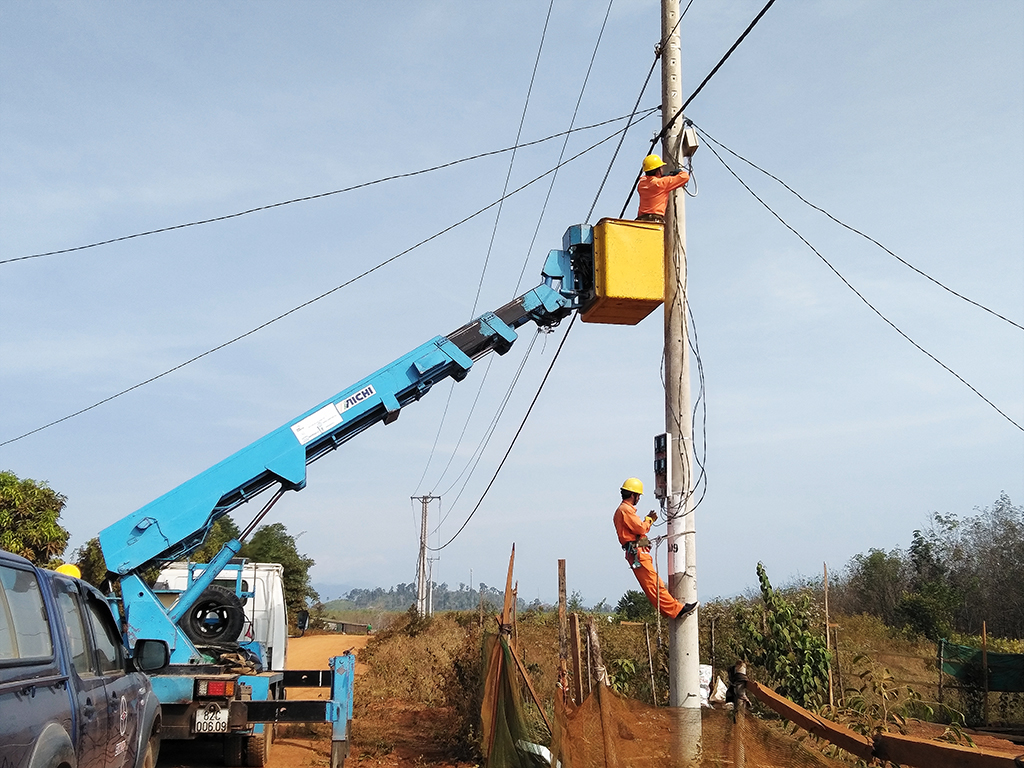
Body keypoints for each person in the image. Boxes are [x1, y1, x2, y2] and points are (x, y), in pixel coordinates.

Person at [613, 477, 698, 619]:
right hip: (637, 555)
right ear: (633, 495)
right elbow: (640, 528)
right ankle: (676, 610)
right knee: (654, 585)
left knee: (654, 584)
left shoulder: (624, 510)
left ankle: (670, 610)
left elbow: (634, 533)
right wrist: (649, 519)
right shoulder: (625, 510)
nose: (639, 498)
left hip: (637, 553)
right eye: (638, 496)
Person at [636, 154, 690, 223]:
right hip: (655, 221)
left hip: (640, 221)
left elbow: (648, 180)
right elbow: (685, 177)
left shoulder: (641, 184)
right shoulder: (662, 183)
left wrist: (662, 177)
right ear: (658, 170)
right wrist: (679, 172)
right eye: (661, 168)